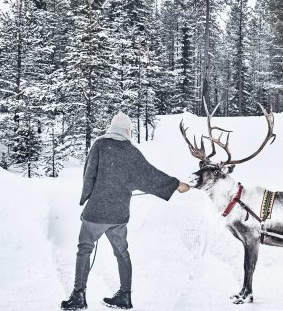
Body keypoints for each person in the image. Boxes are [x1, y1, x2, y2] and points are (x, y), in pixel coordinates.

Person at [61, 111, 191, 310]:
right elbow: (150, 176)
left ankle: (78, 296)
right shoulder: (132, 152)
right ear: (127, 130)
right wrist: (175, 185)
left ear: (112, 128)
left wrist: (86, 198)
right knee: (122, 253)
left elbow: (89, 175)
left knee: (84, 250)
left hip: (96, 212)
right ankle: (125, 296)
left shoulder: (100, 145)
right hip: (119, 215)